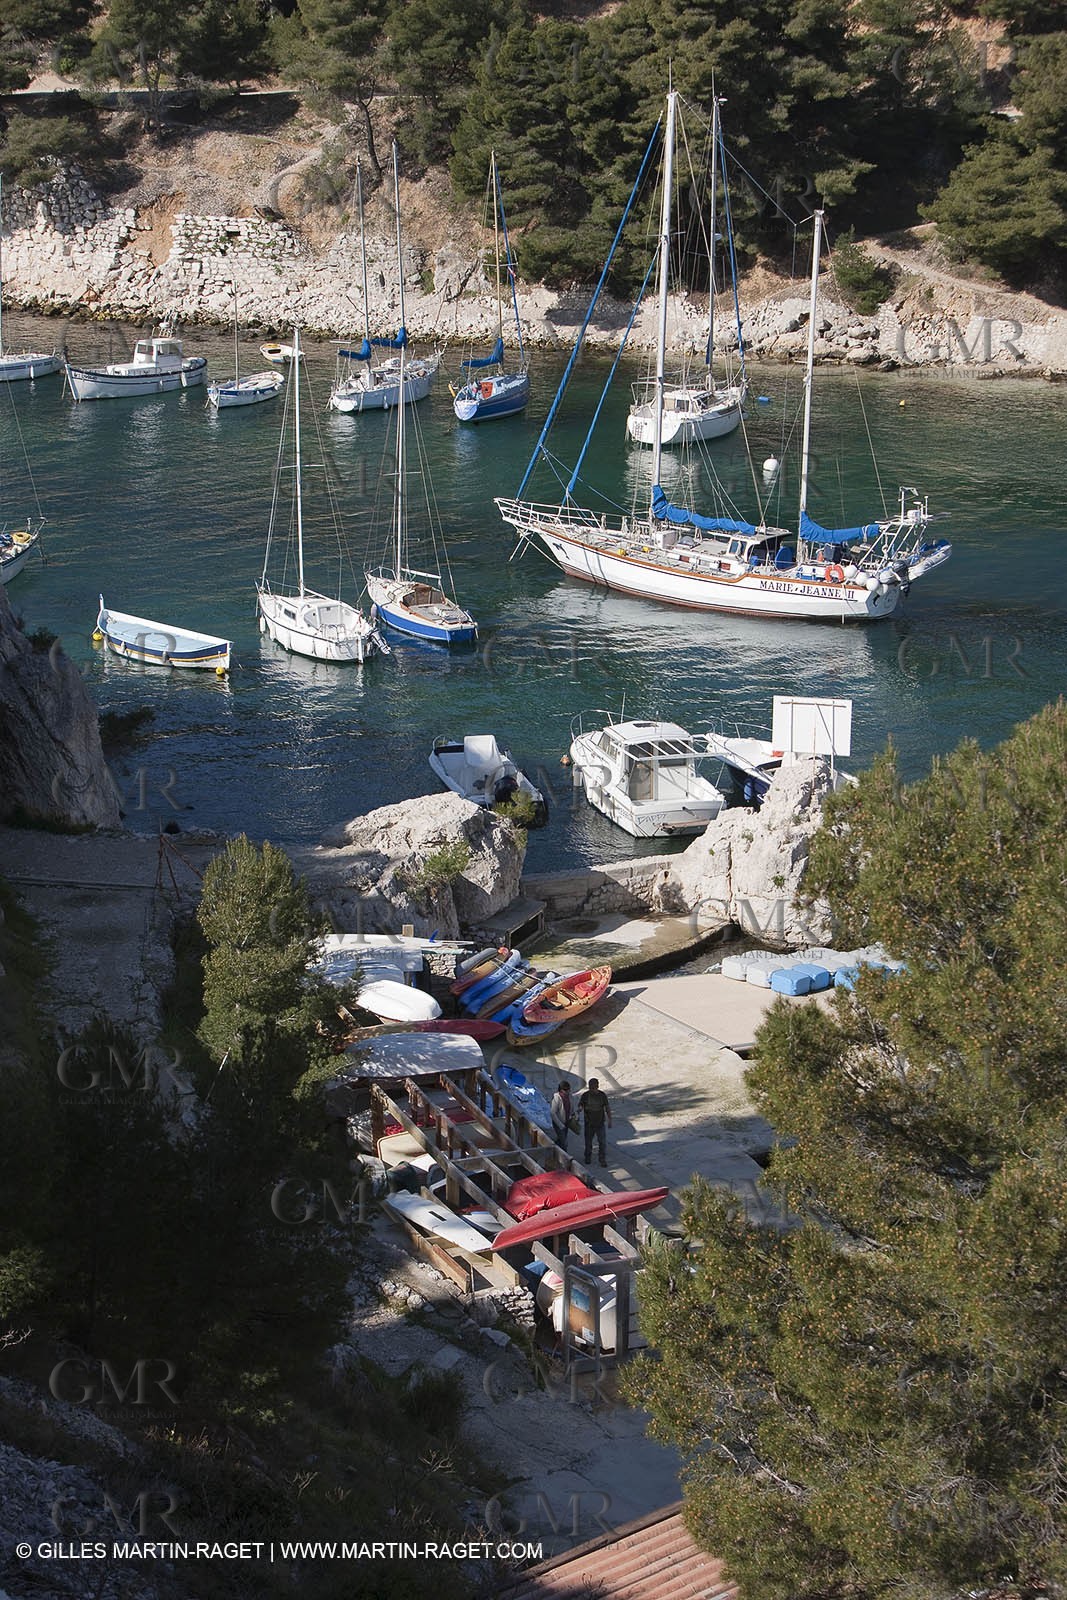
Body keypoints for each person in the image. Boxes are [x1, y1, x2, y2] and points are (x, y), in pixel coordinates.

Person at [579, 1078, 612, 1167]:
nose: (592, 1090)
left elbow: (607, 1108)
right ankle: (587, 1157)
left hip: (600, 1123)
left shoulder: (602, 1095)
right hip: (589, 1123)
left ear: (597, 1086)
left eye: (593, 1088)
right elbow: (581, 1105)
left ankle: (602, 1159)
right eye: (590, 1088)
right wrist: (580, 1109)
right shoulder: (585, 1095)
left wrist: (610, 1120)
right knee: (588, 1142)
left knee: (602, 1142)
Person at [550, 1080, 573, 1150]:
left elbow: (571, 1108)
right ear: (561, 1090)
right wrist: (560, 1125)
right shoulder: (557, 1098)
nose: (567, 1091)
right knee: (564, 1144)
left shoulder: (569, 1096)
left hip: (566, 1122)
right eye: (565, 1090)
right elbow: (552, 1113)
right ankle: (565, 1159)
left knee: (561, 1140)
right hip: (559, 1123)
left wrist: (573, 1115)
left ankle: (553, 1150)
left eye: (568, 1089)